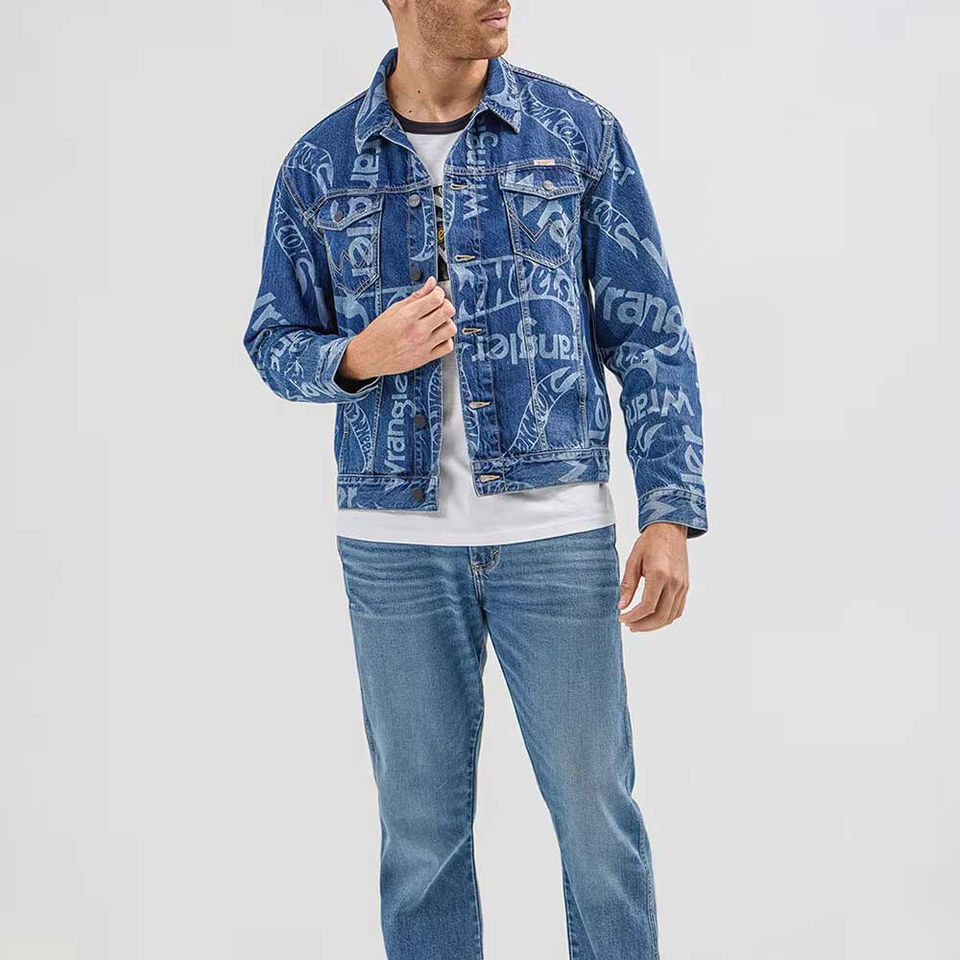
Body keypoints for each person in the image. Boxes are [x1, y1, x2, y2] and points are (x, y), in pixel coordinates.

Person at [241, 1, 708, 956]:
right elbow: (271, 339)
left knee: (598, 824)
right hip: (395, 549)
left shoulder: (578, 134)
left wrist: (669, 511)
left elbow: (649, 331)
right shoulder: (320, 163)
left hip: (557, 535)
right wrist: (356, 358)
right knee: (420, 841)